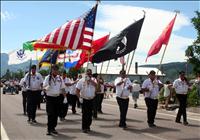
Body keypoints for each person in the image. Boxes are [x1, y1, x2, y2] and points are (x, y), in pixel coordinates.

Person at [43, 65, 66, 135]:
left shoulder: (60, 78)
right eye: (54, 69)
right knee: (50, 113)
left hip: (57, 97)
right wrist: (47, 87)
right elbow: (43, 88)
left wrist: (65, 97)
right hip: (49, 98)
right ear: (51, 70)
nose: (55, 71)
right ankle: (49, 129)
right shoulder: (48, 78)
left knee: (56, 114)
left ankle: (53, 128)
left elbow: (62, 88)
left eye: (56, 70)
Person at [76, 69, 97, 133]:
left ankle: (88, 126)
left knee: (90, 114)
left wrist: (90, 80)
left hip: (91, 99)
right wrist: (79, 98)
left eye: (90, 74)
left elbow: (97, 86)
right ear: (86, 74)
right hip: (84, 99)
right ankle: (84, 127)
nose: (89, 75)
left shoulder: (93, 80)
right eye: (88, 74)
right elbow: (77, 90)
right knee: (85, 114)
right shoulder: (81, 80)